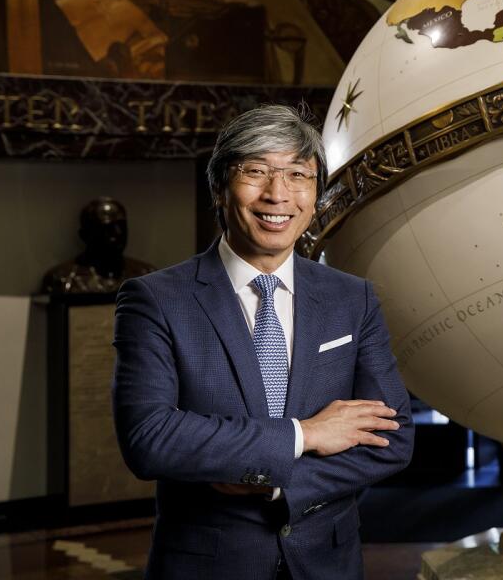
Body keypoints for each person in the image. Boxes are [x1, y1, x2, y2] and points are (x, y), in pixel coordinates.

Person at [112, 105, 414, 579]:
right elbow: (150, 438)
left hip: (329, 565)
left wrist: (275, 485)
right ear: (219, 188)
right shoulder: (155, 300)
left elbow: (391, 439)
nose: (278, 195)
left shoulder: (351, 299)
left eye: (298, 174)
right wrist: (306, 435)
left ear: (316, 194)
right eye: (255, 172)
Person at [43, 197, 155, 295]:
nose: (118, 233)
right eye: (107, 228)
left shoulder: (147, 276)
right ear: (85, 235)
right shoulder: (62, 279)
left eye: (121, 226)